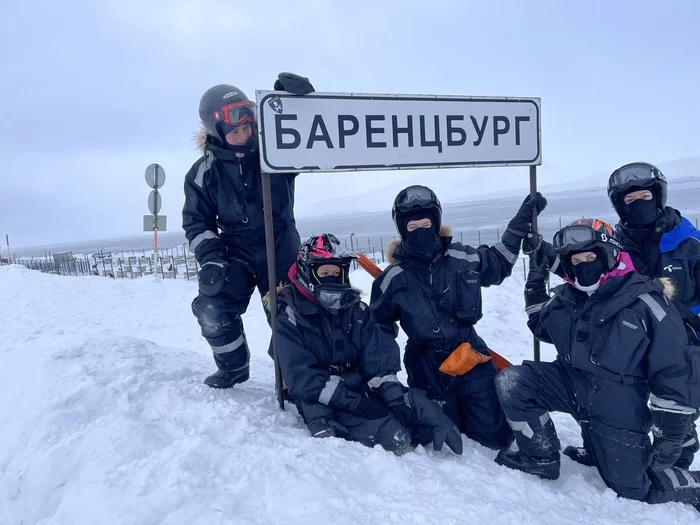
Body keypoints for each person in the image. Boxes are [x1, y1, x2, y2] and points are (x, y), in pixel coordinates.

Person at [495, 218, 700, 510]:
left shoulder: (644, 301)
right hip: (571, 384)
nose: (583, 266)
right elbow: (545, 328)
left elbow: (676, 370)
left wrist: (672, 434)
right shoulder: (568, 297)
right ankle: (540, 458)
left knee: (633, 489)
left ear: (609, 255)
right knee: (513, 381)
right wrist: (535, 291)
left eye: (590, 257)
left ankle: (692, 482)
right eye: (575, 260)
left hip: (618, 403)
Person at [537, 162, 700, 468]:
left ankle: (676, 464)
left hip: (682, 343)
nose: (637, 204)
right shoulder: (615, 243)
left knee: (676, 409)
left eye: (643, 196)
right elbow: (594, 278)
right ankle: (600, 446)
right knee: (615, 393)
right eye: (629, 200)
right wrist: (549, 256)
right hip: (630, 338)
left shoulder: (689, 244)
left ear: (658, 196)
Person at [369, 185, 547, 450]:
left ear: (437, 221)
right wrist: (385, 379)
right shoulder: (392, 280)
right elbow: (379, 330)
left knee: (493, 439)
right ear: (401, 229)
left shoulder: (463, 258)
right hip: (426, 366)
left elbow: (498, 263)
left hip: (470, 357)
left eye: (426, 223)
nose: (420, 231)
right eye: (412, 226)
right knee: (439, 440)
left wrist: (519, 225)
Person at [272, 233, 463, 456]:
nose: (332, 278)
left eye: (337, 272)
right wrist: (354, 403)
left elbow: (378, 359)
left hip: (358, 387)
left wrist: (397, 398)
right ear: (308, 273)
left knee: (420, 423)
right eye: (324, 273)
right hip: (320, 399)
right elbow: (302, 378)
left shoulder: (357, 310)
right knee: (396, 438)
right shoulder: (290, 317)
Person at [182, 73, 314, 388]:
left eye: (248, 126)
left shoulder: (276, 152)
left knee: (293, 316)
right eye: (235, 129)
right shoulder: (203, 172)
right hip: (235, 254)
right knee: (211, 307)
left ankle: (298, 378)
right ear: (216, 130)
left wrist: (293, 104)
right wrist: (210, 256)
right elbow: (196, 222)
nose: (245, 133)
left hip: (280, 247)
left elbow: (302, 138)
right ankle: (233, 367)